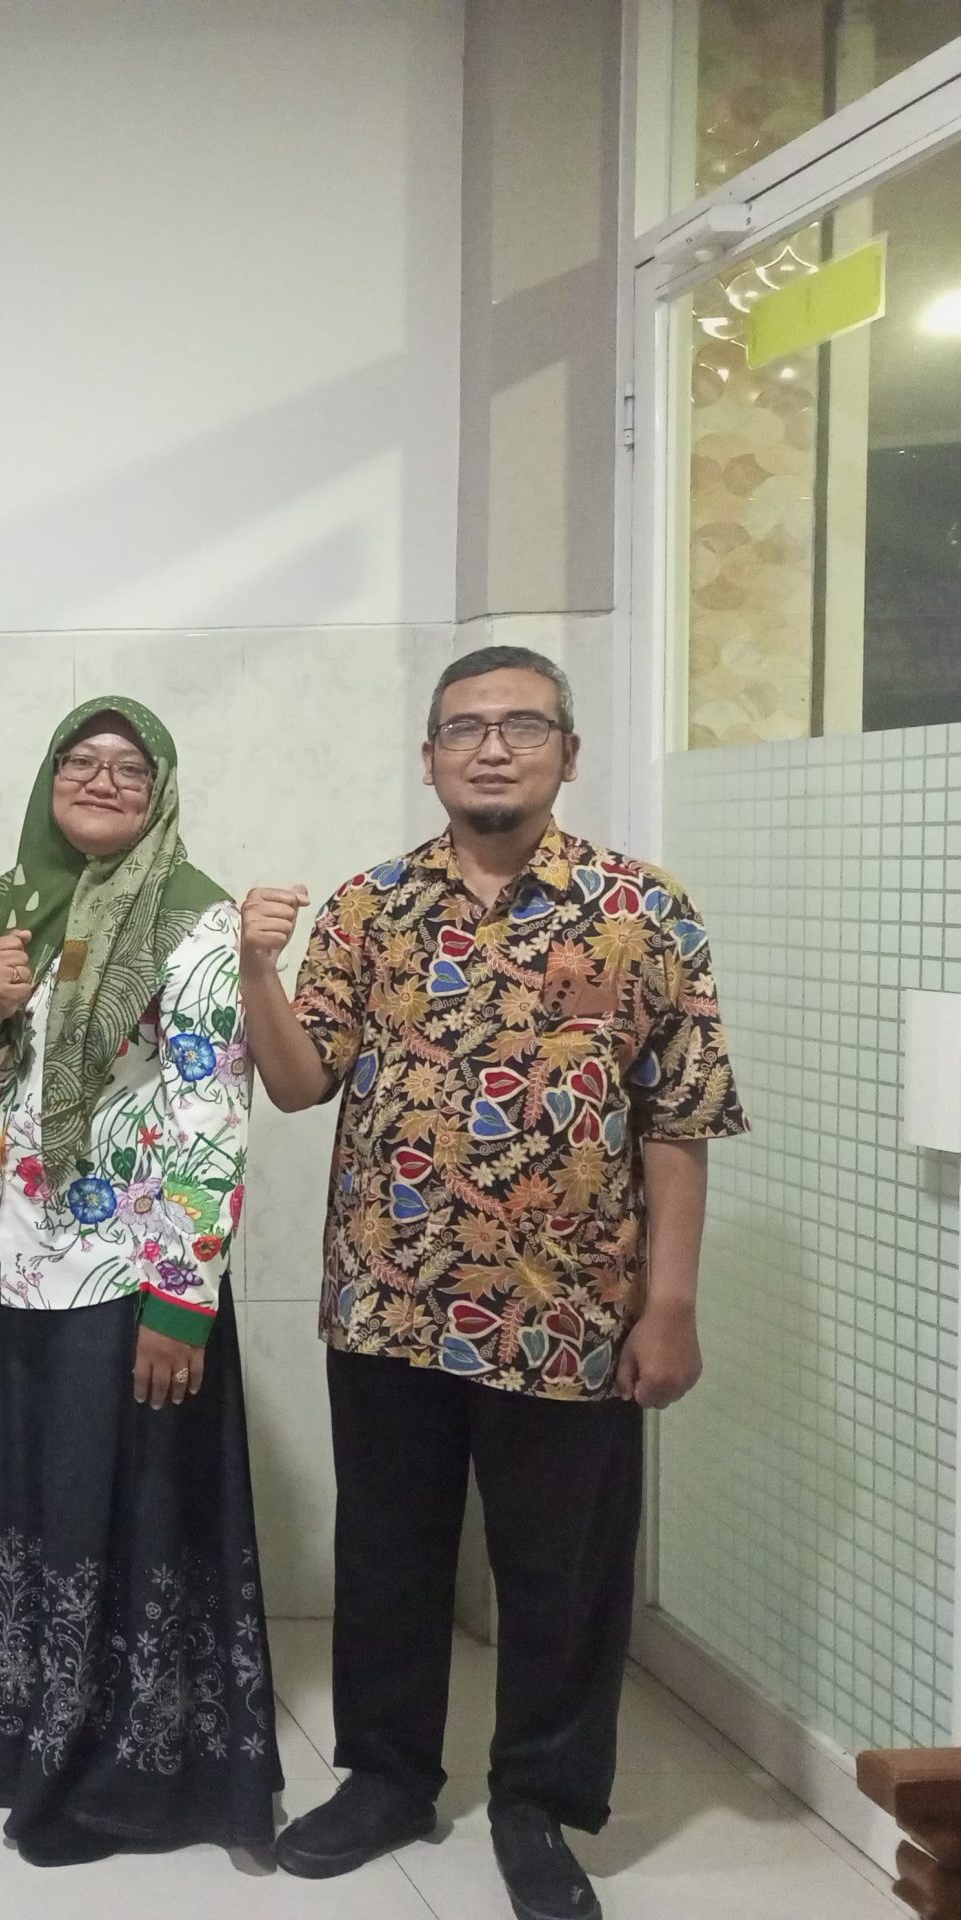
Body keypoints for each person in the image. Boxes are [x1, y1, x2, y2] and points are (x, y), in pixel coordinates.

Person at [239, 645, 746, 1920]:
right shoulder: (369, 908)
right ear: (429, 759)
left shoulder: (643, 911)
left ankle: (539, 1807)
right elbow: (299, 1084)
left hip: (573, 1315)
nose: (492, 747)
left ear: (568, 752)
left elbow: (679, 1123)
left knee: (560, 1579)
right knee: (388, 1557)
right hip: (387, 1302)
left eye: (521, 725)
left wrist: (670, 1305)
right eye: (465, 727)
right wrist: (255, 971)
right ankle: (386, 1780)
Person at [0, 696, 280, 1865]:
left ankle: (123, 1764)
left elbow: (211, 1114)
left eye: (133, 767)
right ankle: (24, 1730)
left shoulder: (194, 921)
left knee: (119, 1513)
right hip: (13, 1271)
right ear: (49, 778)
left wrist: (183, 1300)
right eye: (82, 760)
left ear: (161, 791)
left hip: (128, 1278)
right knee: (35, 1503)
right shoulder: (14, 906)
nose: (105, 780)